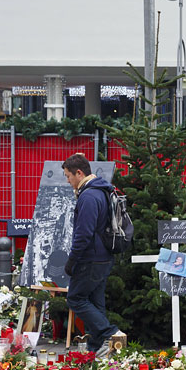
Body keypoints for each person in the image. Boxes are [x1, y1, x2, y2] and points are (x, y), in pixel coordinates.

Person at [60, 153, 123, 357]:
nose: (68, 182)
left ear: (79, 173)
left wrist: (72, 260)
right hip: (104, 255)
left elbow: (83, 234)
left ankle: (110, 333)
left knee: (76, 298)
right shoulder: (102, 190)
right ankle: (98, 350)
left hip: (91, 258)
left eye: (68, 176)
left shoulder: (88, 196)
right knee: (96, 302)